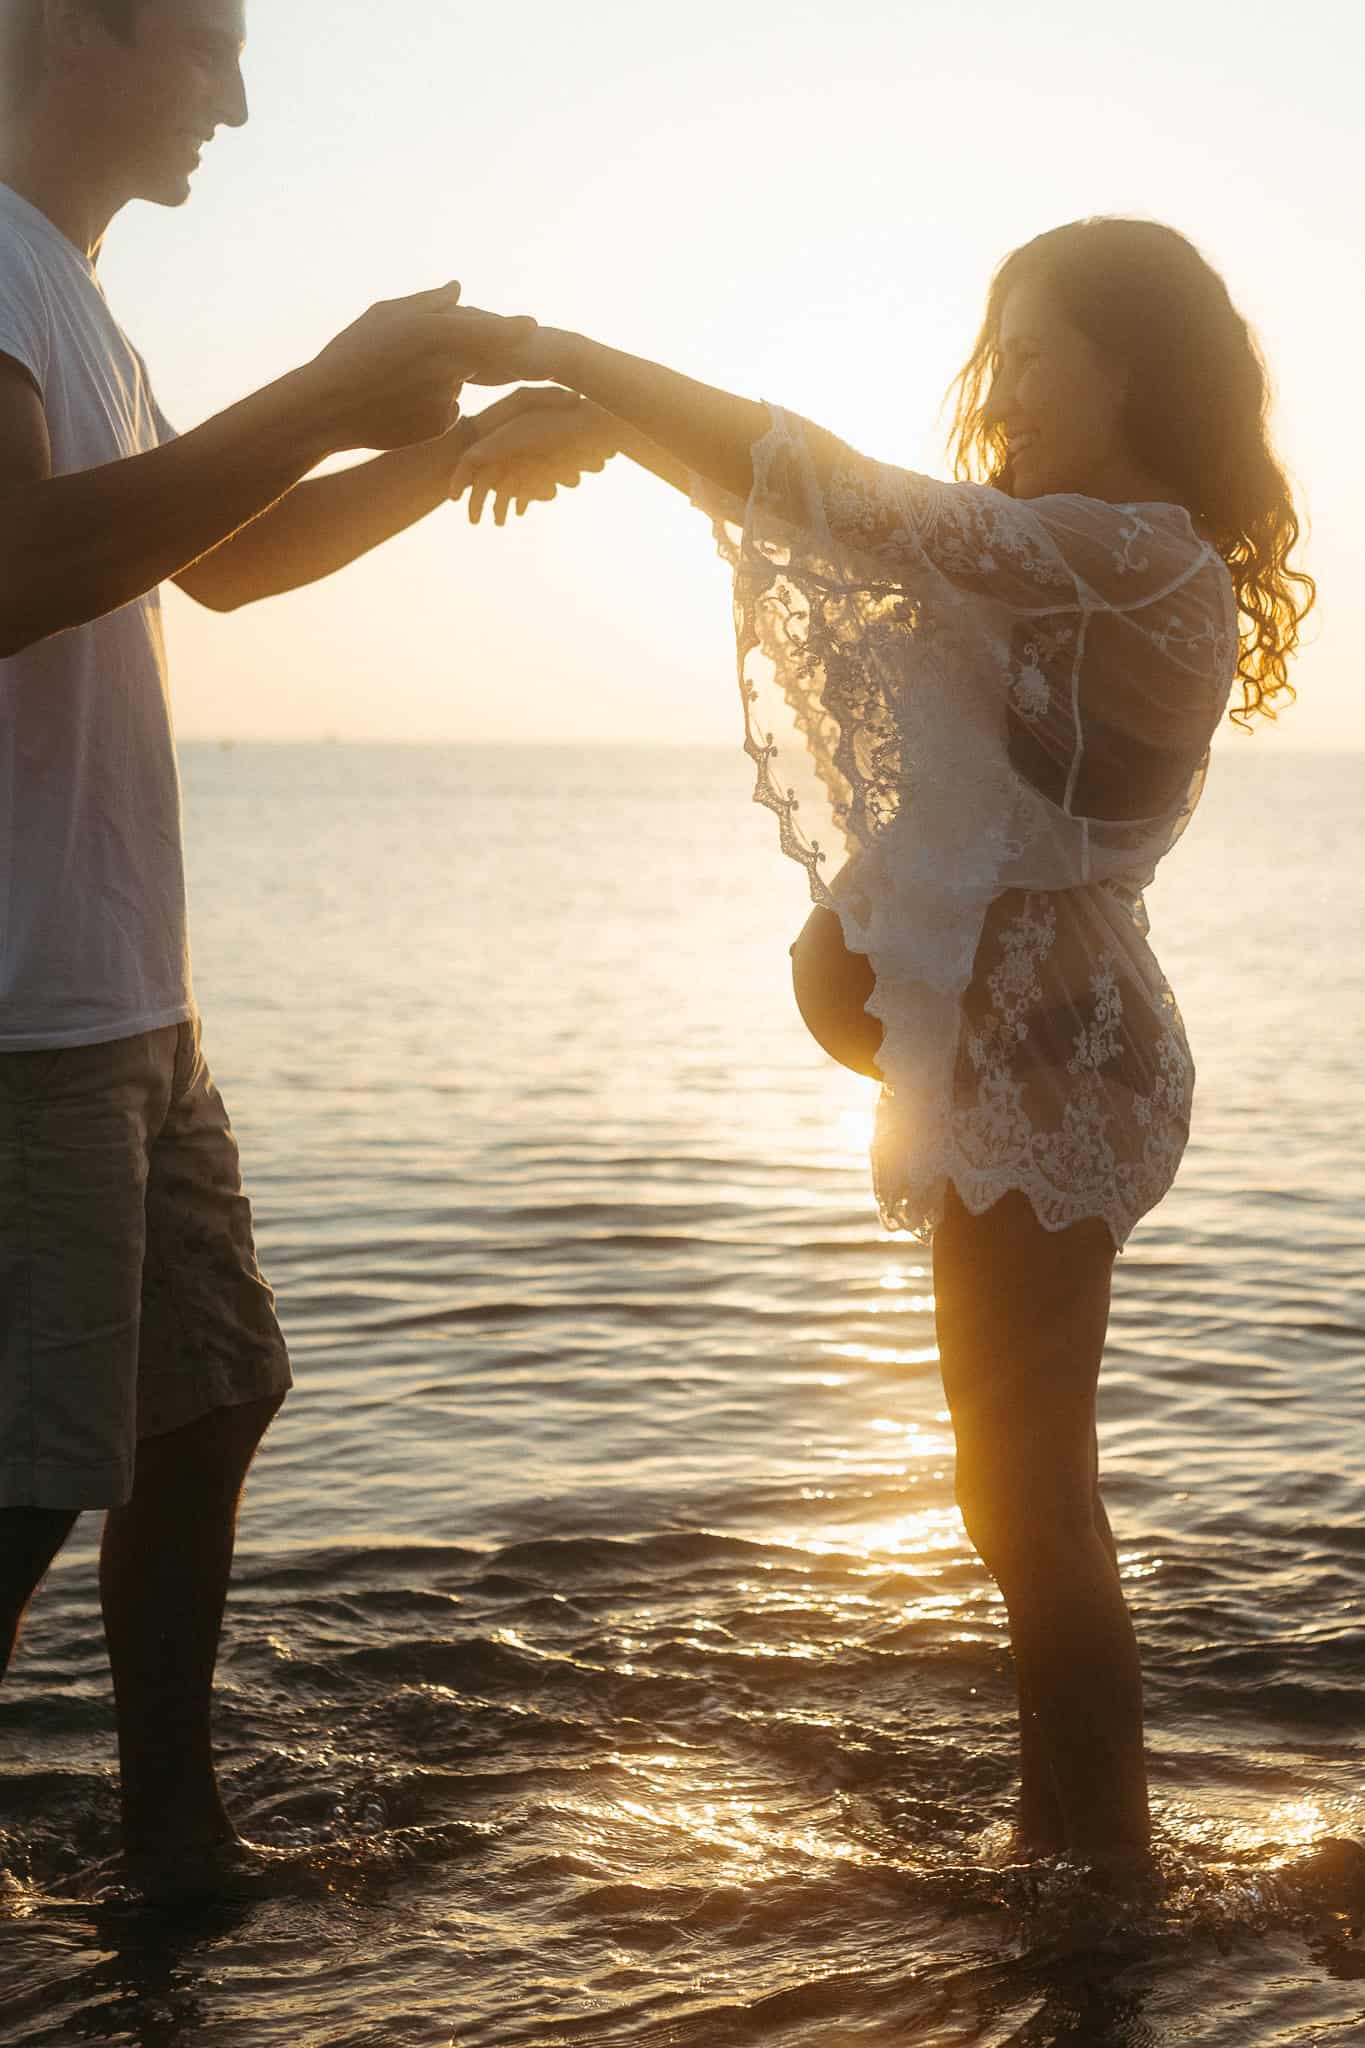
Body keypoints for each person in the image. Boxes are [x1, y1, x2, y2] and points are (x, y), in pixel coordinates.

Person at [440, 219, 1315, 1867]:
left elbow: (836, 495)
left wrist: (572, 363)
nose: (1002, 388)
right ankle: (1066, 1839)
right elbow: (827, 518)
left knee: (1028, 1499)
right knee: (1012, 1494)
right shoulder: (1068, 558)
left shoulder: (1127, 556)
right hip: (1023, 1052)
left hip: (1056, 1061)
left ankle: (1093, 1868)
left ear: (1133, 369)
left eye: (1033, 353)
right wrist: (618, 431)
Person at [0, 0, 586, 1905]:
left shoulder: (77, 295)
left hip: (129, 1000)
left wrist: (452, 448)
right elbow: (16, 570)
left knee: (211, 1397)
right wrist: (330, 392)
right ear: (81, 29)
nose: (241, 105)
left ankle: (172, 1846)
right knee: (22, 1485)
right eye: (211, 50)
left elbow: (225, 555)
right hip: (22, 1014)